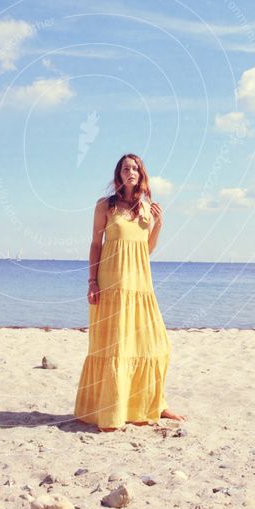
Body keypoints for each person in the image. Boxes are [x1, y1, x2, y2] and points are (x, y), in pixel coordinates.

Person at [74, 153, 185, 431]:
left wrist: (158, 224)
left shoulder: (147, 208)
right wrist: (91, 282)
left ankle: (156, 404)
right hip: (112, 283)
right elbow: (95, 245)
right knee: (115, 348)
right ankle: (110, 412)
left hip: (140, 285)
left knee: (158, 344)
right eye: (126, 168)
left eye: (135, 168)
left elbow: (144, 250)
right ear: (119, 175)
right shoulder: (106, 206)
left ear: (141, 174)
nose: (130, 171)